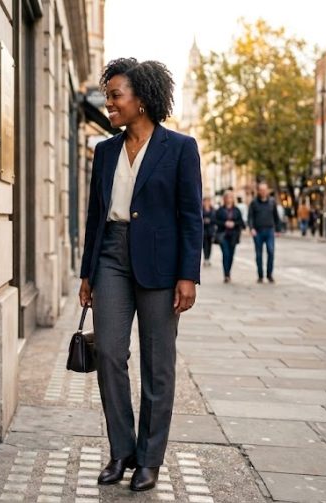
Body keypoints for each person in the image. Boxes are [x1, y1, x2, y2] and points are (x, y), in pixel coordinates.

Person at [78, 58, 202, 492]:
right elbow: (95, 215)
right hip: (110, 255)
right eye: (108, 95)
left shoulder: (180, 148)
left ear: (142, 100)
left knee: (157, 362)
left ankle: (149, 459)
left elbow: (191, 217)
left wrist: (188, 275)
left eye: (116, 96)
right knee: (110, 353)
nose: (108, 103)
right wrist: (87, 272)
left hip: (161, 264)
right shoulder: (105, 150)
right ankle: (121, 451)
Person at [248, 182, 282, 283]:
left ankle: (269, 274)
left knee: (271, 252)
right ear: (258, 191)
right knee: (259, 254)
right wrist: (251, 228)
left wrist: (278, 229)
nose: (263, 192)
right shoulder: (254, 203)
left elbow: (276, 217)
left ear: (267, 191)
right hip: (258, 232)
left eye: (265, 190)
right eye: (261, 190)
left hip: (269, 230)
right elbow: (250, 217)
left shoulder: (272, 202)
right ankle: (260, 275)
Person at [214, 191, 246, 283]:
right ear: (224, 199)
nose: (229, 199)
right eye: (227, 197)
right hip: (223, 235)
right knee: (226, 254)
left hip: (234, 236)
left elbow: (241, 222)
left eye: (231, 197)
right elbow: (215, 221)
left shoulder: (236, 210)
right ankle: (226, 274)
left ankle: (228, 272)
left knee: (231, 255)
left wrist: (234, 223)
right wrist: (224, 223)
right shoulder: (220, 210)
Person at [202, 197, 215, 266]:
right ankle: (205, 258)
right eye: (205, 201)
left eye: (208, 201)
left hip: (210, 230)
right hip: (204, 230)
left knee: (210, 245)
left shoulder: (212, 210)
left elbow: (215, 219)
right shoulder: (201, 209)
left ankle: (208, 259)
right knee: (205, 245)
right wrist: (204, 220)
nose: (207, 203)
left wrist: (210, 220)